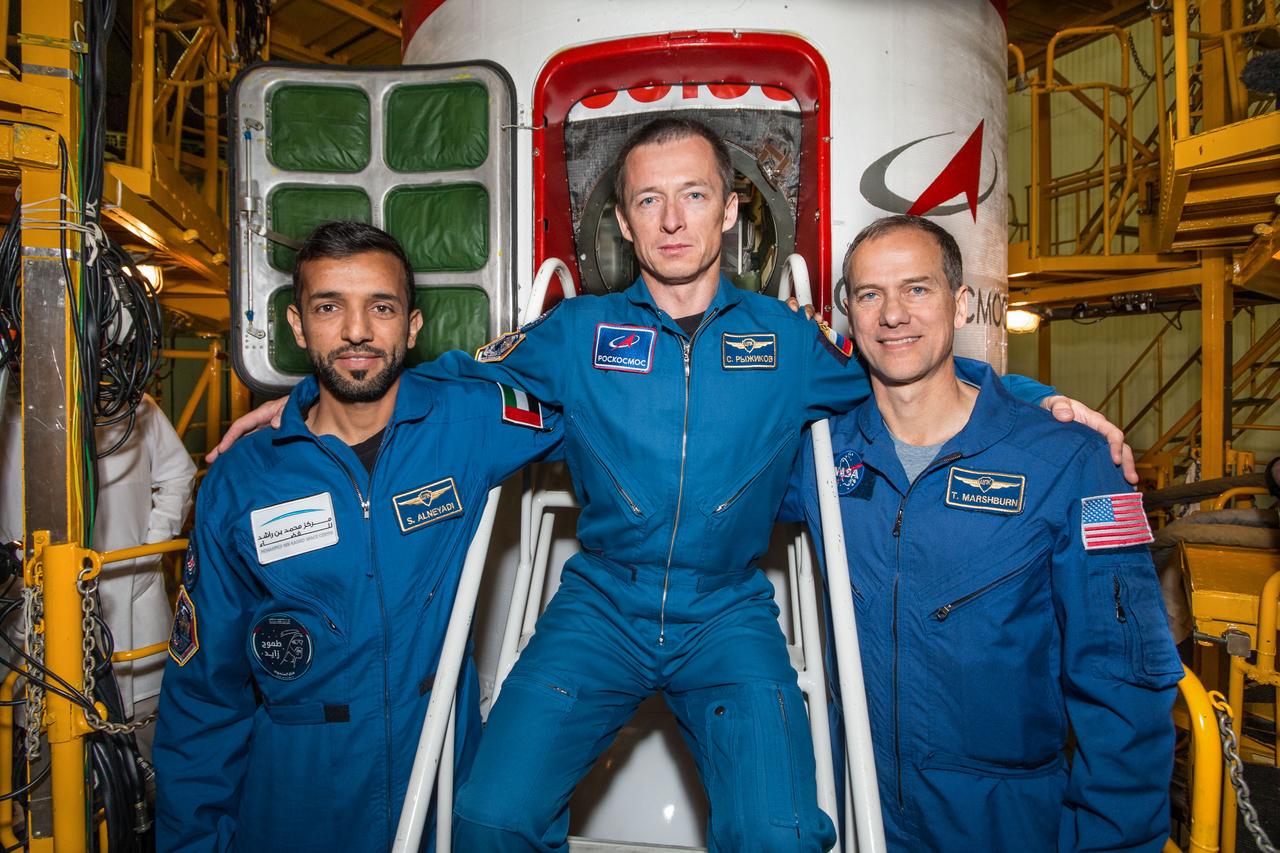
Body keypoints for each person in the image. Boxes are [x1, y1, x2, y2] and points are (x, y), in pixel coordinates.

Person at [213, 118, 1133, 853]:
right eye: (647, 200)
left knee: (775, 833)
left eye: (693, 195)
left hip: (725, 608)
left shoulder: (790, 341)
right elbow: (442, 377)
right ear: (621, 222)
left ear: (730, 209)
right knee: (489, 816)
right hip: (601, 604)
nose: (672, 219)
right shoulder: (573, 335)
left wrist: (1034, 396)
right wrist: (296, 409)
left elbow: (914, 364)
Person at [152, 222, 561, 851]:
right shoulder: (244, 479)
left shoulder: (466, 424)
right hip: (296, 805)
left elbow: (597, 382)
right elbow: (206, 695)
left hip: (439, 790)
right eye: (328, 307)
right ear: (296, 327)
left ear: (412, 326)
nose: (356, 332)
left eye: (381, 307)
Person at [780, 215, 1180, 852]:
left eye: (917, 289)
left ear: (961, 304)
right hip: (859, 811)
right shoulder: (817, 454)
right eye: (869, 295)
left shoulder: (1079, 463)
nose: (893, 315)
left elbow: (1126, 676)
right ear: (847, 319)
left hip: (1006, 820)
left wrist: (1116, 841)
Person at [0, 391, 196, 758]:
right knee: (41, 752)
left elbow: (178, 474)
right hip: (30, 618)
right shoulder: (5, 408)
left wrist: (147, 549)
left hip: (131, 615)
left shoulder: (132, 404)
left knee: (142, 759)